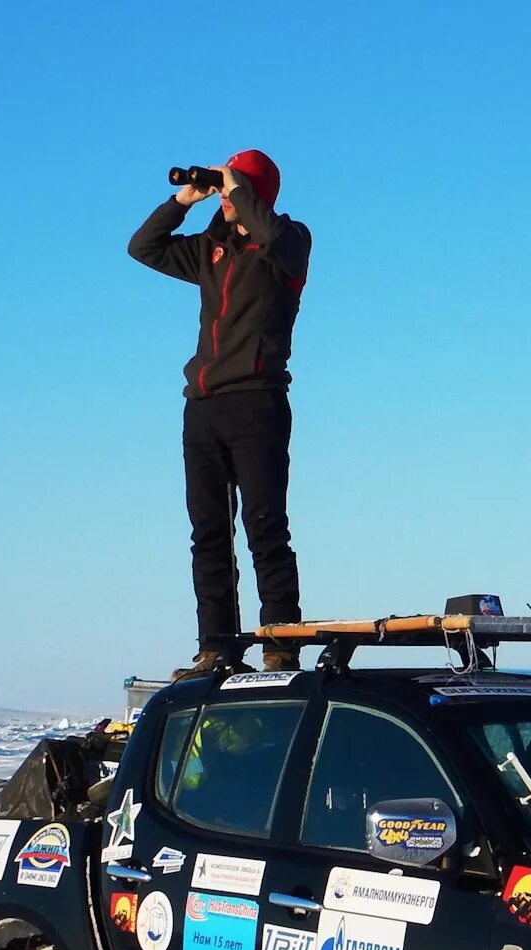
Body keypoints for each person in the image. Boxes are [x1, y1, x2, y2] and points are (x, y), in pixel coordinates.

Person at [128, 150, 310, 675]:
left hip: (258, 402)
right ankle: (217, 649)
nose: (226, 198)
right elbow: (143, 248)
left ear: (256, 194)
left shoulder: (289, 242)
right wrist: (183, 200)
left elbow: (272, 236)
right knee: (208, 533)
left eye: (236, 188)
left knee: (265, 527)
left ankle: (280, 642)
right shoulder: (212, 249)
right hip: (202, 408)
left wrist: (238, 191)